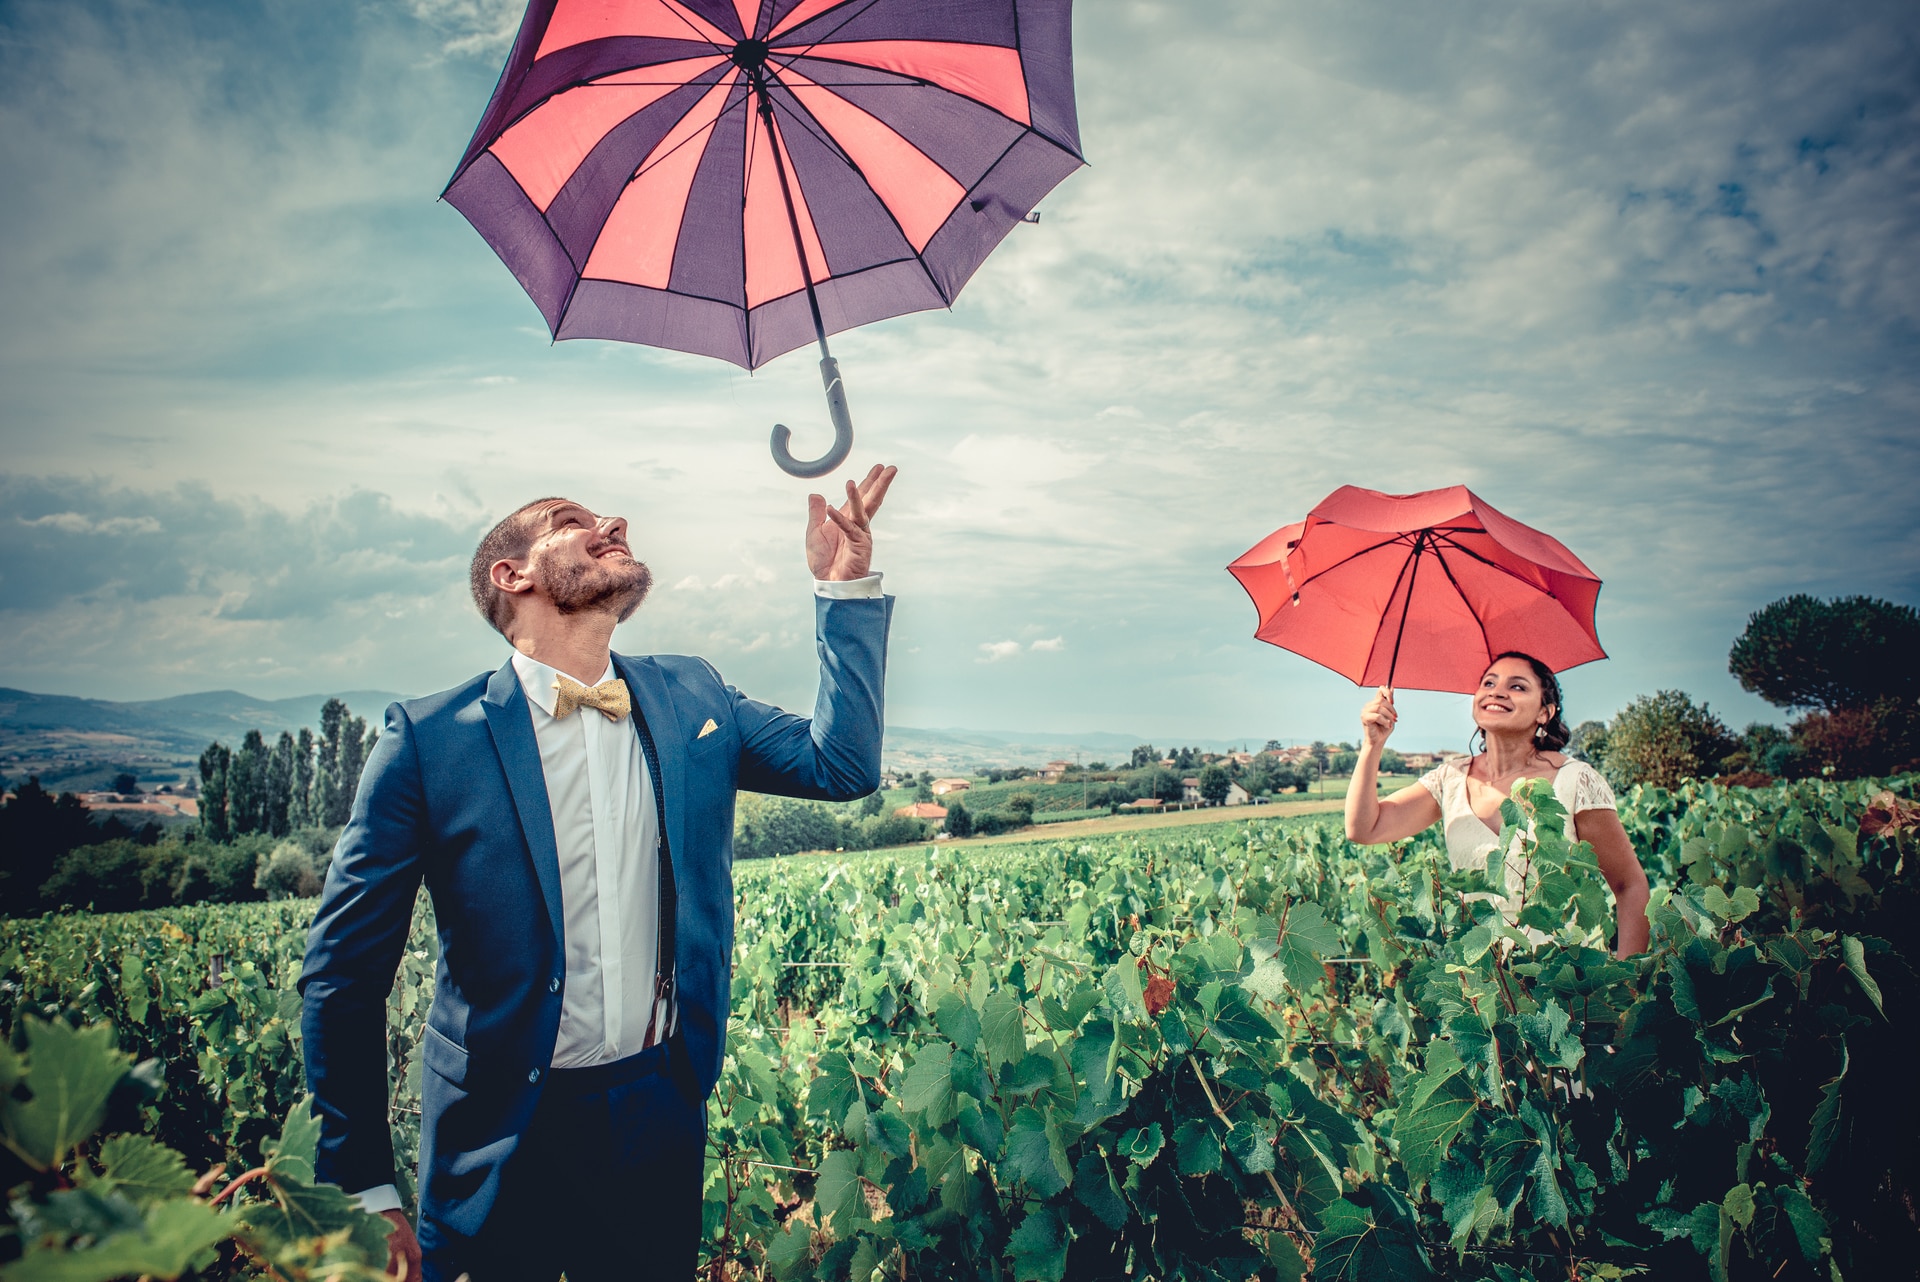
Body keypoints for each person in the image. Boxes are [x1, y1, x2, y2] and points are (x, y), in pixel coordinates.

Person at [299, 465, 898, 1282]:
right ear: (512, 576)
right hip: (497, 1138)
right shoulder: (429, 741)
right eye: (572, 519)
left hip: (656, 1113)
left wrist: (844, 590)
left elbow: (842, 765)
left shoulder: (693, 693)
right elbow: (344, 976)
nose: (613, 521)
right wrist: (360, 1183)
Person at [1342, 651, 1650, 957]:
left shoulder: (1575, 781)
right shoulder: (1450, 779)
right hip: (1478, 990)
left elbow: (1630, 886)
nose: (1497, 691)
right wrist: (1372, 744)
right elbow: (1364, 828)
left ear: (1546, 713)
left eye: (1517, 686)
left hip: (1560, 984)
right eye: (1489, 683)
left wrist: (1627, 980)